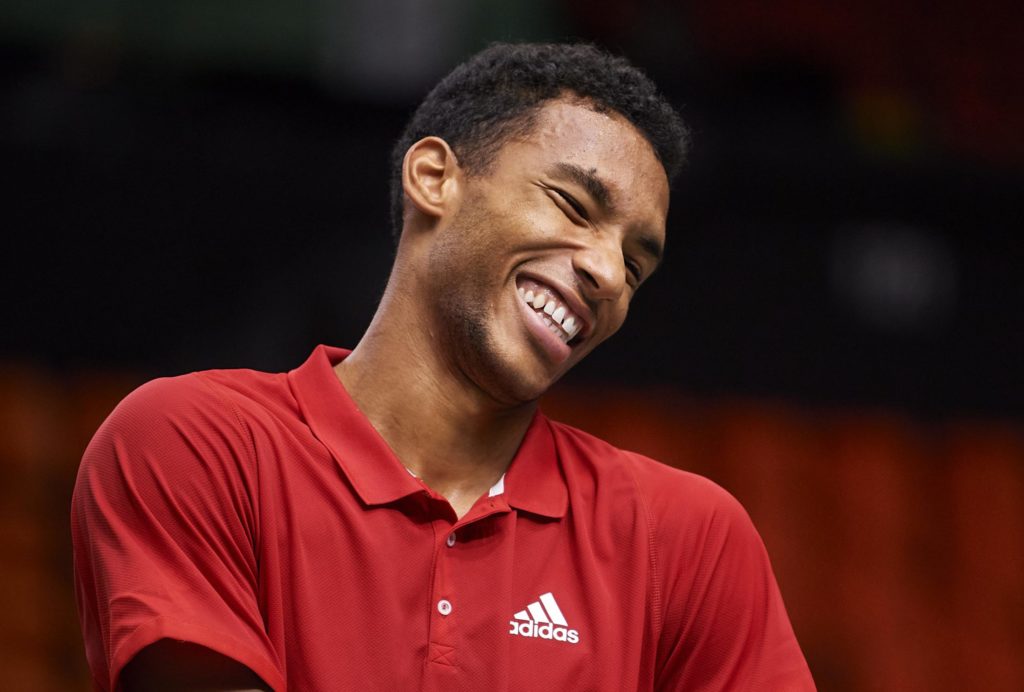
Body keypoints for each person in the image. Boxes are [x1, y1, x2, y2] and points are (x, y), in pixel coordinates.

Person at [72, 43, 815, 691]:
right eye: (574, 205)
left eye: (635, 262)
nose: (608, 274)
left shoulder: (687, 538)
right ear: (434, 177)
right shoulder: (197, 443)